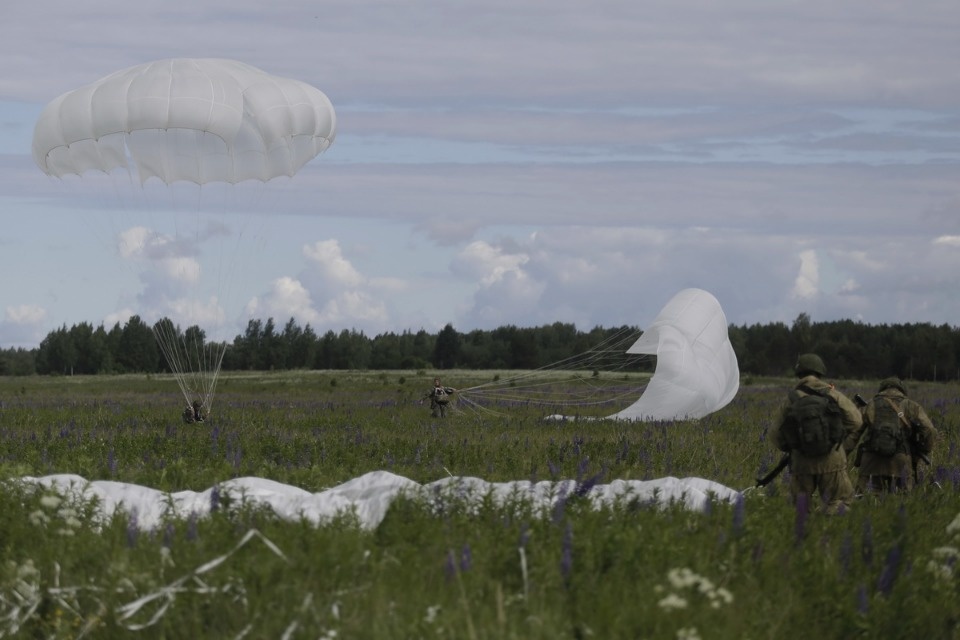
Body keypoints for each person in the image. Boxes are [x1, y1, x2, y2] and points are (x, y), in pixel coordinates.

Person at [770, 353, 862, 514]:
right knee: (839, 504)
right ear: (820, 371)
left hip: (801, 462)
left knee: (799, 509)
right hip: (832, 459)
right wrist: (836, 437)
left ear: (799, 373)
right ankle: (833, 535)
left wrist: (795, 446)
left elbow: (775, 435)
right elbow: (856, 421)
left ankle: (804, 536)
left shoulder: (791, 399)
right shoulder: (833, 394)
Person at [849, 377, 936, 494]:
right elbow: (930, 430)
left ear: (882, 389)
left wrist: (843, 454)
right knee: (902, 503)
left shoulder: (869, 405)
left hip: (871, 461)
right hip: (901, 461)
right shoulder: (912, 406)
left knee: (865, 502)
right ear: (902, 390)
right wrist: (923, 451)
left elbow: (853, 431)